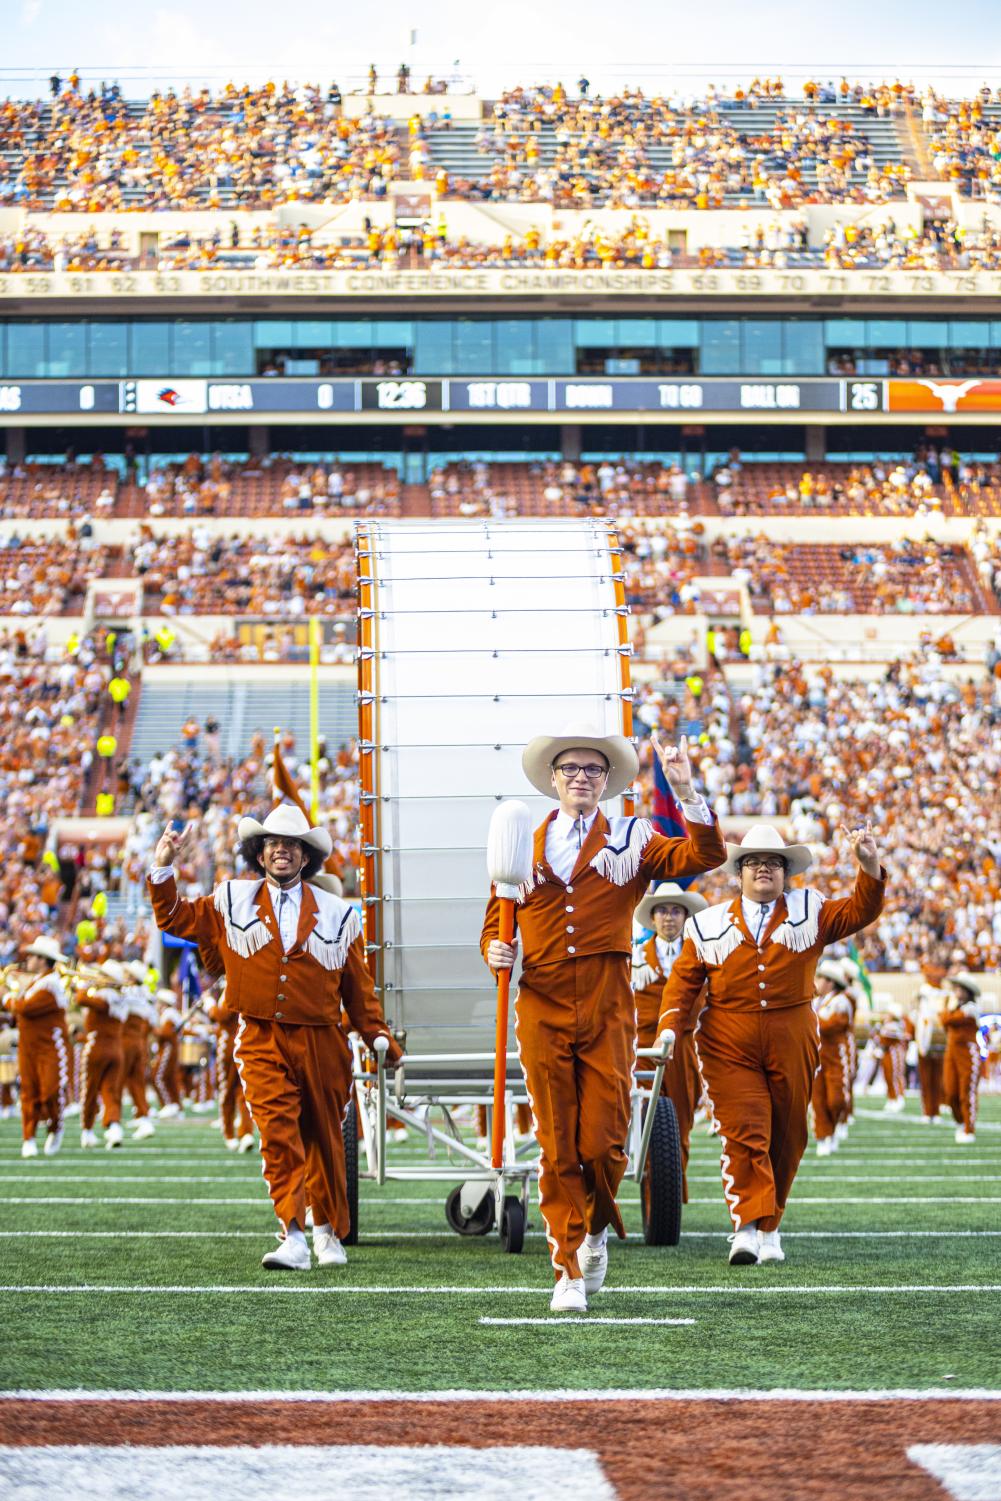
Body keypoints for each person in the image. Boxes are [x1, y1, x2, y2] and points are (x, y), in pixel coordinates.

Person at [481, 724, 726, 1312]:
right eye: (571, 770)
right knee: (556, 1138)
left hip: (608, 999)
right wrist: (494, 949)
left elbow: (705, 855)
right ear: (554, 780)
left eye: (593, 771)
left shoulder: (634, 836)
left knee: (605, 1140)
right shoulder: (520, 841)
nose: (582, 778)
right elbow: (496, 920)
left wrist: (688, 792)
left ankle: (594, 1229)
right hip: (540, 1001)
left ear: (608, 782)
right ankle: (566, 1266)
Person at [148, 802, 402, 1270]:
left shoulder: (338, 912)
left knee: (324, 1139)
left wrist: (379, 1038)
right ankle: (294, 1233)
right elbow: (174, 919)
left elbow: (358, 989)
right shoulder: (230, 899)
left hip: (324, 1040)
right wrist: (163, 863)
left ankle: (327, 1229)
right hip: (260, 1036)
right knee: (277, 1134)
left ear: (306, 857)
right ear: (259, 855)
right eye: (273, 845)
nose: (282, 851)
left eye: (291, 845)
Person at [659, 819, 885, 1266]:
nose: (764, 869)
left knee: (788, 1134)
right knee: (745, 1128)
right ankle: (745, 1227)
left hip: (793, 1033)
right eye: (755, 863)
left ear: (786, 872)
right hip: (727, 1038)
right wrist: (670, 1026)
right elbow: (684, 982)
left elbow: (860, 910)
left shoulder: (812, 910)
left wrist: (869, 866)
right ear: (738, 872)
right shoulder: (707, 923)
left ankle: (771, 1225)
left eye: (774, 863)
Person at [632, 881, 708, 1197]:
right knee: (642, 1126)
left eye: (676, 911)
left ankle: (670, 1197)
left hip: (683, 1053)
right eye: (662, 911)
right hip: (641, 1053)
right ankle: (653, 1197)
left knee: (680, 1124)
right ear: (652, 919)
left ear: (686, 917)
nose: (669, 918)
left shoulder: (703, 958)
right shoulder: (633, 958)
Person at [8, 936, 70, 1158]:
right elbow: (19, 1015)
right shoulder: (36, 982)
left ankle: (55, 1127)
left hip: (48, 1047)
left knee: (50, 1092)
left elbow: (25, 1008)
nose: (28, 959)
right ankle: (29, 1137)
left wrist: (6, 997)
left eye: (33, 956)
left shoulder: (50, 985)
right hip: (28, 1046)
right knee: (28, 1092)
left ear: (43, 960)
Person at [77, 959, 128, 1149]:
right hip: (116, 1048)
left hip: (97, 1047)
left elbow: (80, 999)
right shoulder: (121, 998)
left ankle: (87, 1130)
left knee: (89, 1089)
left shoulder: (104, 995)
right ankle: (114, 1127)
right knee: (110, 1090)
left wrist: (85, 984)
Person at [811, 958, 854, 1156]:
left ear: (830, 982)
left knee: (836, 1099)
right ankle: (823, 1136)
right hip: (817, 1056)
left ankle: (834, 1128)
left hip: (836, 1056)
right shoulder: (815, 1001)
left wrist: (810, 1020)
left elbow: (831, 1025)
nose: (816, 981)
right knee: (818, 1099)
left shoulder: (842, 1001)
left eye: (820, 978)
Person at [940, 972, 983, 1143]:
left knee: (967, 1092)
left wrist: (947, 1008)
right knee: (950, 1092)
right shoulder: (956, 1007)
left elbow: (947, 1019)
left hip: (967, 1054)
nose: (956, 991)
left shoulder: (971, 1008)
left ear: (967, 991)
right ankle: (960, 1122)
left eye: (959, 988)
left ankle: (969, 1128)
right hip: (952, 1053)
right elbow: (945, 1021)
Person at [121, 960, 156, 1139]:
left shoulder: (128, 992)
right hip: (140, 1044)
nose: (124, 977)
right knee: (137, 1082)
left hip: (126, 1041)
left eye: (127, 974)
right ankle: (143, 1118)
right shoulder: (145, 994)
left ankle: (112, 1122)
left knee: (117, 1081)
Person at [914, 968, 948, 1123]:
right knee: (928, 1080)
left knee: (936, 1079)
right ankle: (929, 1111)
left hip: (938, 1044)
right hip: (926, 1044)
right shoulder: (924, 1006)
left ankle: (935, 1110)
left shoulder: (943, 997)